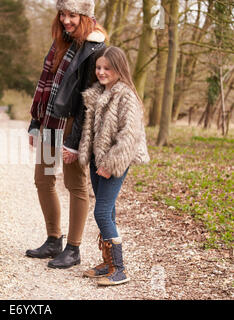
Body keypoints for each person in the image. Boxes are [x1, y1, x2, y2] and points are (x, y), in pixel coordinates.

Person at [25, 0, 107, 269]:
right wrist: (36, 122)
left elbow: (90, 99)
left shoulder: (94, 49)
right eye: (62, 14)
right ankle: (53, 240)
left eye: (72, 15)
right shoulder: (60, 41)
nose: (65, 20)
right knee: (43, 179)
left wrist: (74, 143)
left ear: (85, 16)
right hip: (50, 120)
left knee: (76, 185)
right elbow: (45, 84)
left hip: (74, 124)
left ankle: (73, 248)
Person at [78, 46, 150, 285]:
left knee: (100, 212)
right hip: (97, 161)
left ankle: (120, 269)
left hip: (115, 161)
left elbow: (129, 136)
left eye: (107, 68)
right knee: (107, 211)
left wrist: (110, 164)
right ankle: (107, 263)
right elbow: (92, 130)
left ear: (119, 69)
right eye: (98, 67)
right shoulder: (98, 93)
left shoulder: (126, 96)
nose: (101, 72)